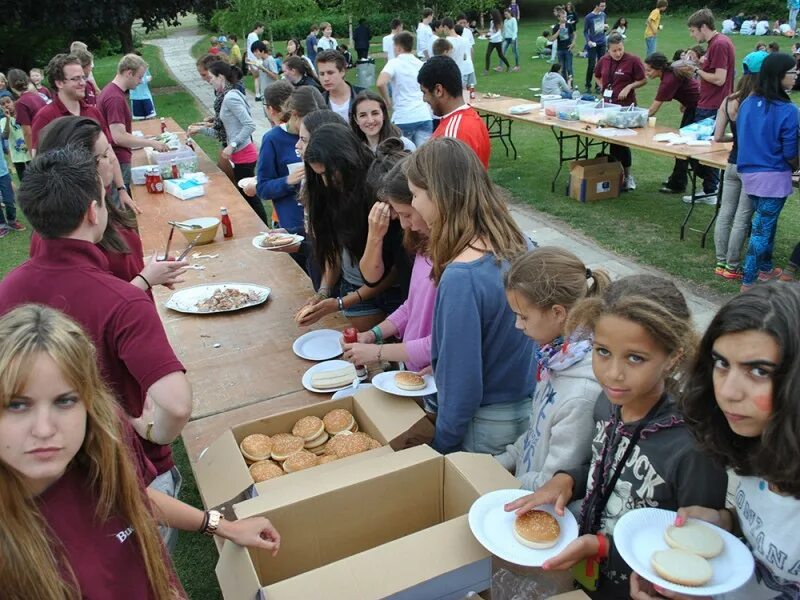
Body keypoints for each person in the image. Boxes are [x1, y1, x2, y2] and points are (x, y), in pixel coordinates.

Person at [0, 304, 283, 598]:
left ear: (89, 404)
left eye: (65, 401)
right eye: (18, 405)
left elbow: (134, 497)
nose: (44, 429)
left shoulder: (92, 455)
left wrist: (221, 526)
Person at [0, 147, 194, 550]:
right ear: (94, 211)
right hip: (123, 474)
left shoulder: (8, 290)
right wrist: (152, 432)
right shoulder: (121, 299)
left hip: (39, 476)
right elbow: (175, 404)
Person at [506, 274, 728, 599]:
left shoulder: (695, 448)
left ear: (674, 357)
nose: (613, 373)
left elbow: (697, 551)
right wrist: (567, 479)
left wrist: (604, 547)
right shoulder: (607, 402)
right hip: (591, 573)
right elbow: (603, 466)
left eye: (635, 358)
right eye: (603, 351)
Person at [630, 282, 800, 600]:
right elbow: (769, 528)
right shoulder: (762, 443)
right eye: (722, 364)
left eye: (759, 371)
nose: (728, 391)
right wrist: (724, 521)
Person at [405, 137, 535, 454]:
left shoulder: (461, 277)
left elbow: (464, 388)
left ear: (438, 195)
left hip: (484, 424)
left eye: (415, 195)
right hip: (525, 407)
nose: (413, 206)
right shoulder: (522, 242)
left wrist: (443, 442)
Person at [35, 116, 187, 298]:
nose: (114, 160)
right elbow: (92, 303)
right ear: (79, 165)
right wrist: (144, 279)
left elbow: (117, 268)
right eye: (106, 155)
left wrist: (150, 267)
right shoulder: (73, 227)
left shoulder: (102, 205)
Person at [497, 247, 608, 493]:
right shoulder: (555, 360)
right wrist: (497, 464)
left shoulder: (581, 393)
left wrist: (503, 485)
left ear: (558, 313)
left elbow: (554, 480)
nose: (517, 325)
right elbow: (535, 432)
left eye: (523, 317)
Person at [297, 123, 404, 330]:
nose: (326, 182)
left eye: (329, 173)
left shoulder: (378, 190)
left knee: (387, 353)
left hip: (392, 289)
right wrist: (324, 291)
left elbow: (395, 268)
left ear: (347, 161)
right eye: (318, 175)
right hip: (353, 286)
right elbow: (333, 248)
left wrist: (341, 302)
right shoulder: (325, 191)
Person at [342, 151, 434, 374]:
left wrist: (377, 353)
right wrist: (373, 335)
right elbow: (411, 306)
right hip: (415, 365)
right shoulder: (423, 247)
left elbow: (443, 343)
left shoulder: (457, 264)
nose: (403, 224)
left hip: (433, 371)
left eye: (406, 214)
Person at [30, 54, 136, 214]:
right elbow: (38, 162)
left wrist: (121, 189)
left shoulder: (92, 112)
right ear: (59, 83)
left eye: (83, 77)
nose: (83, 83)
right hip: (71, 204)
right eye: (75, 79)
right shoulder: (46, 117)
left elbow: (109, 152)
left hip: (102, 197)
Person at [737, 52, 799, 292]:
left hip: (749, 175)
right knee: (761, 229)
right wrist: (794, 165)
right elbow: (790, 150)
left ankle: (765, 269)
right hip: (773, 177)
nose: (795, 76)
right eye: (792, 72)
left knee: (765, 225)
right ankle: (747, 283)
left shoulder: (748, 103)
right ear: (779, 76)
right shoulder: (789, 110)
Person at [246, 83, 325, 271]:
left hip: (321, 229)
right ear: (295, 114)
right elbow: (263, 188)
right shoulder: (273, 139)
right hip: (292, 231)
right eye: (308, 122)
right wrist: (287, 181)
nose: (312, 129)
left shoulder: (320, 134)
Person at [188, 62, 266, 225]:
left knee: (249, 195)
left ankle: (263, 227)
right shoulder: (227, 96)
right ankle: (258, 225)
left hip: (244, 154)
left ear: (220, 77)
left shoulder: (230, 97)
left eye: (211, 78)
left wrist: (233, 145)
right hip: (239, 155)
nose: (209, 81)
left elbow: (250, 124)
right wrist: (200, 130)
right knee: (245, 194)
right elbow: (225, 131)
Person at [710, 52, 764, 281]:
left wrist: (734, 138)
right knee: (742, 217)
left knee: (725, 213)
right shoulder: (762, 101)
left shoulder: (730, 100)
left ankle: (721, 261)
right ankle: (732, 266)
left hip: (732, 163)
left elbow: (718, 135)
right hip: (751, 167)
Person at [679, 8, 735, 203]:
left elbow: (719, 79)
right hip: (709, 101)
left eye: (693, 30)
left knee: (705, 150)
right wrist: (699, 64)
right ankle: (711, 189)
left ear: (704, 27)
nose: (692, 35)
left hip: (713, 104)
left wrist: (696, 69)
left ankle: (711, 190)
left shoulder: (719, 44)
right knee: (703, 148)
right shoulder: (715, 43)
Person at [97, 54, 170, 199]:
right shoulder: (115, 98)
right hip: (117, 158)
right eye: (139, 76)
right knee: (118, 206)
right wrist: (152, 143)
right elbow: (119, 137)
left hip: (116, 156)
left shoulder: (112, 92)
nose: (141, 81)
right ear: (129, 73)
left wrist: (145, 139)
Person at [594, 33, 646, 191]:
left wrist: (629, 86)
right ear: (608, 50)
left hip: (625, 108)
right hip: (608, 106)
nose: (618, 53)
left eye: (620, 49)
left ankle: (628, 176)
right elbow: (596, 75)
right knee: (612, 142)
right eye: (614, 50)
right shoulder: (604, 60)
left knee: (622, 143)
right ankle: (613, 175)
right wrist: (603, 86)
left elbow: (643, 79)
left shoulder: (633, 61)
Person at [418, 56, 490, 168]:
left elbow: (450, 183)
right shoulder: (473, 119)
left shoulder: (452, 135)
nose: (424, 99)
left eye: (424, 92)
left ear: (438, 90)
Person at [643, 53, 699, 194]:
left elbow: (652, 110)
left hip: (699, 110)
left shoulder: (668, 80)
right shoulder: (669, 73)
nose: (647, 73)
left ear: (658, 69)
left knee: (684, 147)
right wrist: (684, 102)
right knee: (681, 146)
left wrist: (634, 119)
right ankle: (677, 180)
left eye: (649, 70)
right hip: (693, 107)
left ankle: (705, 185)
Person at [376, 32, 433, 148]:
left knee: (403, 158)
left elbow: (381, 82)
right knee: (424, 157)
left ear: (398, 47)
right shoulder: (420, 64)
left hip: (403, 116)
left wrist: (387, 101)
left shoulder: (394, 63)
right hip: (423, 115)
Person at [350, 90, 415, 152]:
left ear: (383, 115)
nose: (370, 120)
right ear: (356, 119)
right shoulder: (353, 149)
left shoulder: (404, 145)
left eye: (375, 113)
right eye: (363, 115)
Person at [7, 69, 48, 158]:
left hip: (38, 144)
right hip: (48, 137)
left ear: (11, 85)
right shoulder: (38, 97)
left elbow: (27, 133)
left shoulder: (20, 103)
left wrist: (32, 155)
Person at [316, 50, 364, 122]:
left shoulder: (363, 96)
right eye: (322, 74)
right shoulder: (318, 103)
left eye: (330, 73)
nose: (326, 79)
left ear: (342, 71)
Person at [1, 95, 30, 180]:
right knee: (24, 181)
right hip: (17, 156)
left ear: (14, 102)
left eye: (8, 102)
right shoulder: (3, 121)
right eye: (3, 104)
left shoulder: (23, 115)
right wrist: (8, 119)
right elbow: (5, 136)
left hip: (30, 152)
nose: (6, 105)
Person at [0, 135, 24, 237]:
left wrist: (10, 164)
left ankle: (11, 220)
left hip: (3, 173)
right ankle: (2, 225)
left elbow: (5, 149)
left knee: (9, 200)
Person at [584, 0, 608, 93]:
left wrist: (605, 29)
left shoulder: (603, 15)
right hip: (592, 44)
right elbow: (585, 31)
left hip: (602, 42)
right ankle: (588, 85)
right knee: (591, 65)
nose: (603, 8)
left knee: (601, 65)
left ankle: (598, 86)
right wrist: (588, 41)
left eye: (604, 6)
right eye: (601, 6)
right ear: (597, 6)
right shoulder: (589, 17)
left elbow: (603, 29)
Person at [250, 41, 279, 108]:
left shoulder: (270, 60)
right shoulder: (261, 61)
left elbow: (275, 77)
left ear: (262, 51)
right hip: (264, 92)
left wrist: (263, 68)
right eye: (253, 52)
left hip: (272, 92)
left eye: (256, 51)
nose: (255, 54)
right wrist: (251, 66)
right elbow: (256, 76)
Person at [552, 10, 576, 80]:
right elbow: (552, 39)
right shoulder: (556, 27)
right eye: (562, 17)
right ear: (559, 18)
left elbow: (574, 34)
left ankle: (570, 85)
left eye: (565, 17)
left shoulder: (569, 25)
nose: (564, 18)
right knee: (562, 69)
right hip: (560, 50)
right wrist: (559, 30)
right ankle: (564, 85)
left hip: (568, 49)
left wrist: (573, 43)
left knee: (569, 68)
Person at [485, 9, 510, 74]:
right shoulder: (492, 22)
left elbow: (499, 32)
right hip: (492, 42)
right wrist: (488, 34)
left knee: (500, 55)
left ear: (494, 15)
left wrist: (491, 37)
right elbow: (491, 31)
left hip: (498, 41)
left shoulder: (499, 22)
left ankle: (508, 66)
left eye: (491, 14)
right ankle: (486, 70)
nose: (490, 15)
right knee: (487, 54)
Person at [454, 23, 477, 88]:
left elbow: (463, 56)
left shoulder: (456, 41)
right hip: (469, 66)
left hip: (462, 69)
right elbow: (472, 51)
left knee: (463, 90)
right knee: (471, 88)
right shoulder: (466, 40)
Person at [246, 23, 265, 101]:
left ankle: (258, 94)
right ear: (258, 27)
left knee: (256, 77)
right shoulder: (254, 36)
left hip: (251, 58)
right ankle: (260, 93)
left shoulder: (250, 35)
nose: (262, 31)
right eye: (262, 28)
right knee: (259, 76)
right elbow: (257, 47)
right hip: (255, 59)